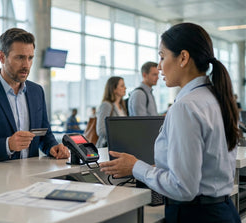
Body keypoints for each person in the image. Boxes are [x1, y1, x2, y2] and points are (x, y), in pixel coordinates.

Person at [100, 23, 241, 222]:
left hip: (196, 215)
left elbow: (182, 187)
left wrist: (135, 167)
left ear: (183, 57)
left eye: (162, 56)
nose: (159, 66)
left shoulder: (186, 106)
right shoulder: (216, 97)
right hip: (221, 210)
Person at [0, 28, 69, 163]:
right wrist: (8, 145)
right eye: (20, 57)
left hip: (33, 177)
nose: (26, 65)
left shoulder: (37, 92)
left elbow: (44, 134)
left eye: (30, 58)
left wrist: (53, 147)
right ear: (2, 57)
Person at [95, 76, 127, 148]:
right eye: (122, 86)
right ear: (114, 89)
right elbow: (101, 130)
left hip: (119, 146)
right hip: (107, 147)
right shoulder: (107, 105)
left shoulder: (121, 106)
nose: (125, 88)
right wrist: (121, 134)